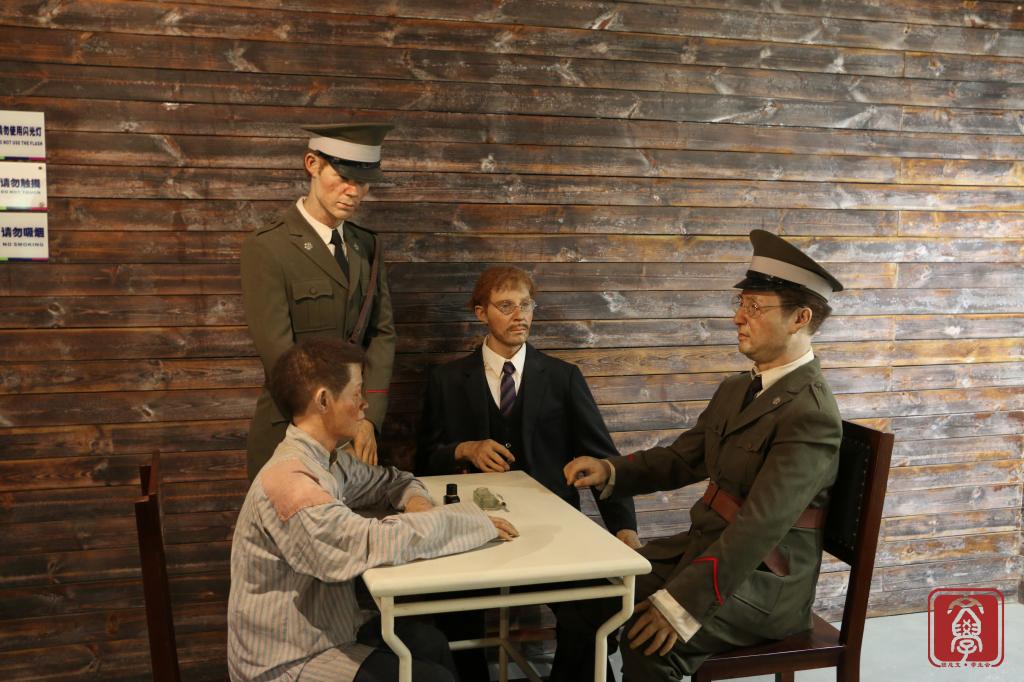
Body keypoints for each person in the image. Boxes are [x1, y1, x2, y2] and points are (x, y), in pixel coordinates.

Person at [557, 229, 844, 681]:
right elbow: (683, 458)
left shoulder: (811, 414)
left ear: (800, 318)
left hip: (763, 584)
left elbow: (758, 528)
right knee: (586, 599)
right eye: (741, 304)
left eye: (755, 307)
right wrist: (611, 471)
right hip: (704, 552)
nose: (738, 317)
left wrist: (680, 605)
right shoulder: (737, 389)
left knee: (649, 642)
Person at [227, 337, 518, 682]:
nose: (365, 404)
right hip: (288, 657)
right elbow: (372, 541)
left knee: (432, 643)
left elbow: (393, 481)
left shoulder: (327, 462)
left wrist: (419, 504)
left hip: (330, 629)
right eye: (356, 393)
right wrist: (469, 522)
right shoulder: (292, 482)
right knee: (433, 678)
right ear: (323, 400)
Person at [416, 265, 639, 680]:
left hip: (553, 531)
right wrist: (463, 449)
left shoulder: (563, 377)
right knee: (448, 617)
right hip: (473, 532)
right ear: (481, 313)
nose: (520, 315)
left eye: (526, 305)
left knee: (597, 607)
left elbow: (604, 459)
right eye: (506, 306)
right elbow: (424, 461)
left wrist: (625, 529)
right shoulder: (446, 380)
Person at [241, 122, 397, 479]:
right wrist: (344, 418)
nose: (353, 192)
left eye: (363, 182)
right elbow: (280, 356)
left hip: (357, 436)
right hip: (292, 431)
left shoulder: (367, 246)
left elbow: (382, 335)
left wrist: (367, 419)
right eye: (343, 177)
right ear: (312, 164)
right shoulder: (268, 247)